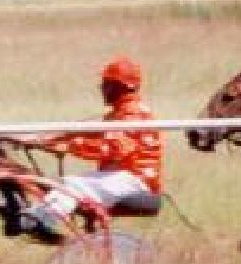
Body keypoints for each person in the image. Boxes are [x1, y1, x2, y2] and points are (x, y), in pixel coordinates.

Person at [10, 56, 164, 242]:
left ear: (118, 86)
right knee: (65, 184)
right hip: (125, 177)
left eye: (105, 84)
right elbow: (84, 132)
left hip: (134, 182)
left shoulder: (133, 114)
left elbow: (109, 149)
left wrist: (64, 145)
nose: (101, 88)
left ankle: (36, 220)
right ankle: (35, 218)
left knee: (72, 185)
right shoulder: (121, 113)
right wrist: (43, 139)